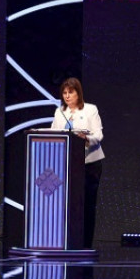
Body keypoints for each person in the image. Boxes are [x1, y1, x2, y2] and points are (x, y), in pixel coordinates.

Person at [49, 78, 105, 249]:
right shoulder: (60, 112)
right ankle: (67, 243)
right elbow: (53, 134)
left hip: (89, 164)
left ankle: (86, 244)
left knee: (87, 204)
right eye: (64, 93)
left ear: (78, 93)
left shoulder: (90, 110)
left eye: (71, 92)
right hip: (67, 166)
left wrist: (86, 138)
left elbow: (98, 135)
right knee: (67, 206)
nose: (67, 96)